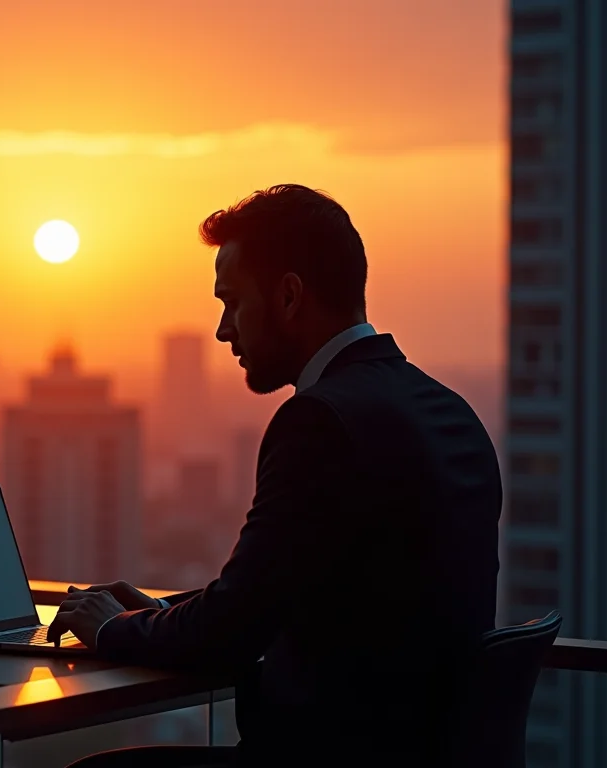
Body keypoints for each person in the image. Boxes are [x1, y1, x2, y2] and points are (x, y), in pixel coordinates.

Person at [50, 184, 501, 767]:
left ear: (288, 296)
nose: (222, 328)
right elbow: (295, 592)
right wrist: (160, 617)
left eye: (232, 301)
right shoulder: (448, 410)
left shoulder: (320, 420)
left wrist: (113, 630)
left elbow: (234, 628)